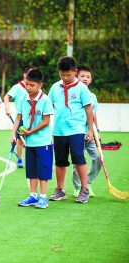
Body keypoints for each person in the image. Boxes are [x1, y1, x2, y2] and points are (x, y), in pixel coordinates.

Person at [48, 56, 94, 204]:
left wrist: (90, 130)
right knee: (60, 161)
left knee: (78, 158)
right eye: (62, 75)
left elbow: (88, 110)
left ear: (75, 72)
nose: (65, 78)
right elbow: (48, 108)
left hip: (76, 130)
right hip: (58, 131)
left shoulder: (82, 88)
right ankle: (60, 190)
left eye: (68, 75)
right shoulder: (55, 87)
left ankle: (84, 189)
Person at [11, 70, 54, 209]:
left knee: (43, 170)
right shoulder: (23, 98)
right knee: (31, 170)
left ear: (40, 85)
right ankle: (33, 196)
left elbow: (46, 121)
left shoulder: (46, 100)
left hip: (43, 142)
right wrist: (13, 134)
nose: (28, 88)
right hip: (29, 143)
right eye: (26, 84)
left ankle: (43, 198)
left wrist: (31, 131)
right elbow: (18, 117)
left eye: (31, 85)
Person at [72, 66, 101, 198]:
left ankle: (87, 184)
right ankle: (78, 187)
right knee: (77, 161)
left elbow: (93, 115)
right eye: (82, 76)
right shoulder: (74, 93)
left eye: (87, 77)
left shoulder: (92, 96)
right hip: (77, 132)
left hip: (91, 133)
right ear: (77, 77)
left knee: (98, 158)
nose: (85, 79)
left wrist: (97, 131)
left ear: (91, 80)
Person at [4, 65, 36, 168]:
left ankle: (35, 159)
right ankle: (20, 159)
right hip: (20, 118)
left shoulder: (34, 86)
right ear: (25, 75)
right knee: (19, 140)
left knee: (33, 138)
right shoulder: (17, 87)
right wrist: (7, 108)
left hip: (32, 118)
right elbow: (6, 97)